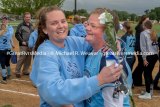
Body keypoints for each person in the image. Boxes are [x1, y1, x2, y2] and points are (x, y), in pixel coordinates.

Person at [30, 6, 122, 107]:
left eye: (63, 21)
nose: (61, 26)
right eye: (54, 23)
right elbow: (52, 91)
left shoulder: (74, 42)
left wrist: (114, 40)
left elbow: (98, 41)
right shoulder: (46, 52)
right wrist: (99, 80)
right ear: (45, 29)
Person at [84, 8, 132, 107]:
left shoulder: (111, 60)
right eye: (87, 24)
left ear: (107, 33)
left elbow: (114, 105)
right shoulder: (93, 51)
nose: (87, 28)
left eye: (93, 26)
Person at [138, 20, 158, 99]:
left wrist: (144, 58)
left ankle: (148, 93)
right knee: (149, 73)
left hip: (149, 56)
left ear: (145, 26)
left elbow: (143, 47)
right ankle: (150, 91)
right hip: (155, 55)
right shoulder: (153, 32)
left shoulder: (143, 33)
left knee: (146, 74)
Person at [15, 12, 34, 78]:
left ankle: (25, 70)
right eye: (27, 17)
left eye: (29, 17)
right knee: (22, 57)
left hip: (30, 44)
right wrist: (22, 41)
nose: (28, 18)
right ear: (24, 18)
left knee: (28, 58)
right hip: (23, 45)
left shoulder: (32, 25)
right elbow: (17, 34)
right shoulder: (21, 25)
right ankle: (17, 71)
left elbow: (33, 35)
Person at [132, 15, 149, 86]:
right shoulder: (140, 28)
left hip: (140, 48)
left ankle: (137, 81)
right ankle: (133, 78)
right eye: (147, 20)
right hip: (139, 48)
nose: (148, 21)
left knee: (141, 64)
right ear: (143, 20)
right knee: (141, 64)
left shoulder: (141, 27)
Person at [0, 15, 14, 83]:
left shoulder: (7, 28)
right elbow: (10, 36)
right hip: (8, 48)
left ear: (7, 20)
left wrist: (3, 30)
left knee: (3, 63)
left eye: (5, 19)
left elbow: (2, 34)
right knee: (7, 62)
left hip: (3, 49)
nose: (4, 20)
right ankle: (8, 74)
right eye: (3, 19)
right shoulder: (10, 28)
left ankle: (4, 79)